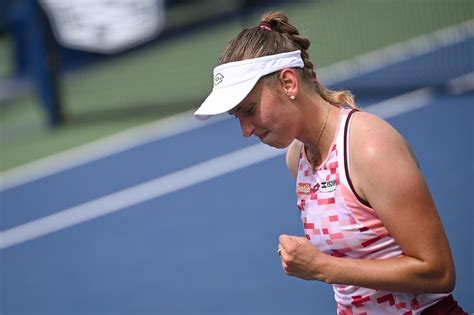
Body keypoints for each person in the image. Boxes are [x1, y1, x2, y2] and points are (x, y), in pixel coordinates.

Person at [194, 11, 467, 315]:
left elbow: (438, 272)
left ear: (288, 82)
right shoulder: (297, 158)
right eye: (237, 116)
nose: (245, 130)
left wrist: (325, 267)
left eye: (249, 109)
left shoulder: (369, 147)